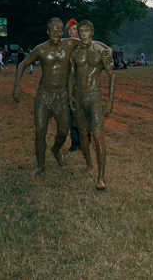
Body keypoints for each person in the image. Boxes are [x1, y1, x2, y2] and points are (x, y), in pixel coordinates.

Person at [13, 18, 86, 176]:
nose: (56, 34)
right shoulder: (41, 49)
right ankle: (41, 166)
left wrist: (105, 50)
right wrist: (17, 85)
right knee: (40, 131)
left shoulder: (70, 44)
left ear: (62, 31)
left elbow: (89, 43)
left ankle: (55, 149)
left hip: (62, 96)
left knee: (63, 131)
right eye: (53, 31)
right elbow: (22, 65)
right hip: (44, 96)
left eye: (59, 31)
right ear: (47, 32)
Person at [68, 20, 115, 190]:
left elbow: (111, 76)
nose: (84, 34)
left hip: (94, 95)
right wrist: (70, 96)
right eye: (81, 31)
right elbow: (72, 76)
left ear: (92, 32)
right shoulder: (75, 51)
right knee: (82, 133)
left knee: (97, 135)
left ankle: (101, 177)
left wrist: (110, 99)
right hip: (79, 96)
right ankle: (89, 165)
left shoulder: (101, 51)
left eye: (87, 30)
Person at [65, 18, 81, 152]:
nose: (72, 31)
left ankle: (85, 138)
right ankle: (75, 141)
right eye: (70, 29)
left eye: (74, 29)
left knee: (83, 112)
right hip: (69, 82)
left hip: (82, 82)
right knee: (71, 112)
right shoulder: (65, 45)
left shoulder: (83, 45)